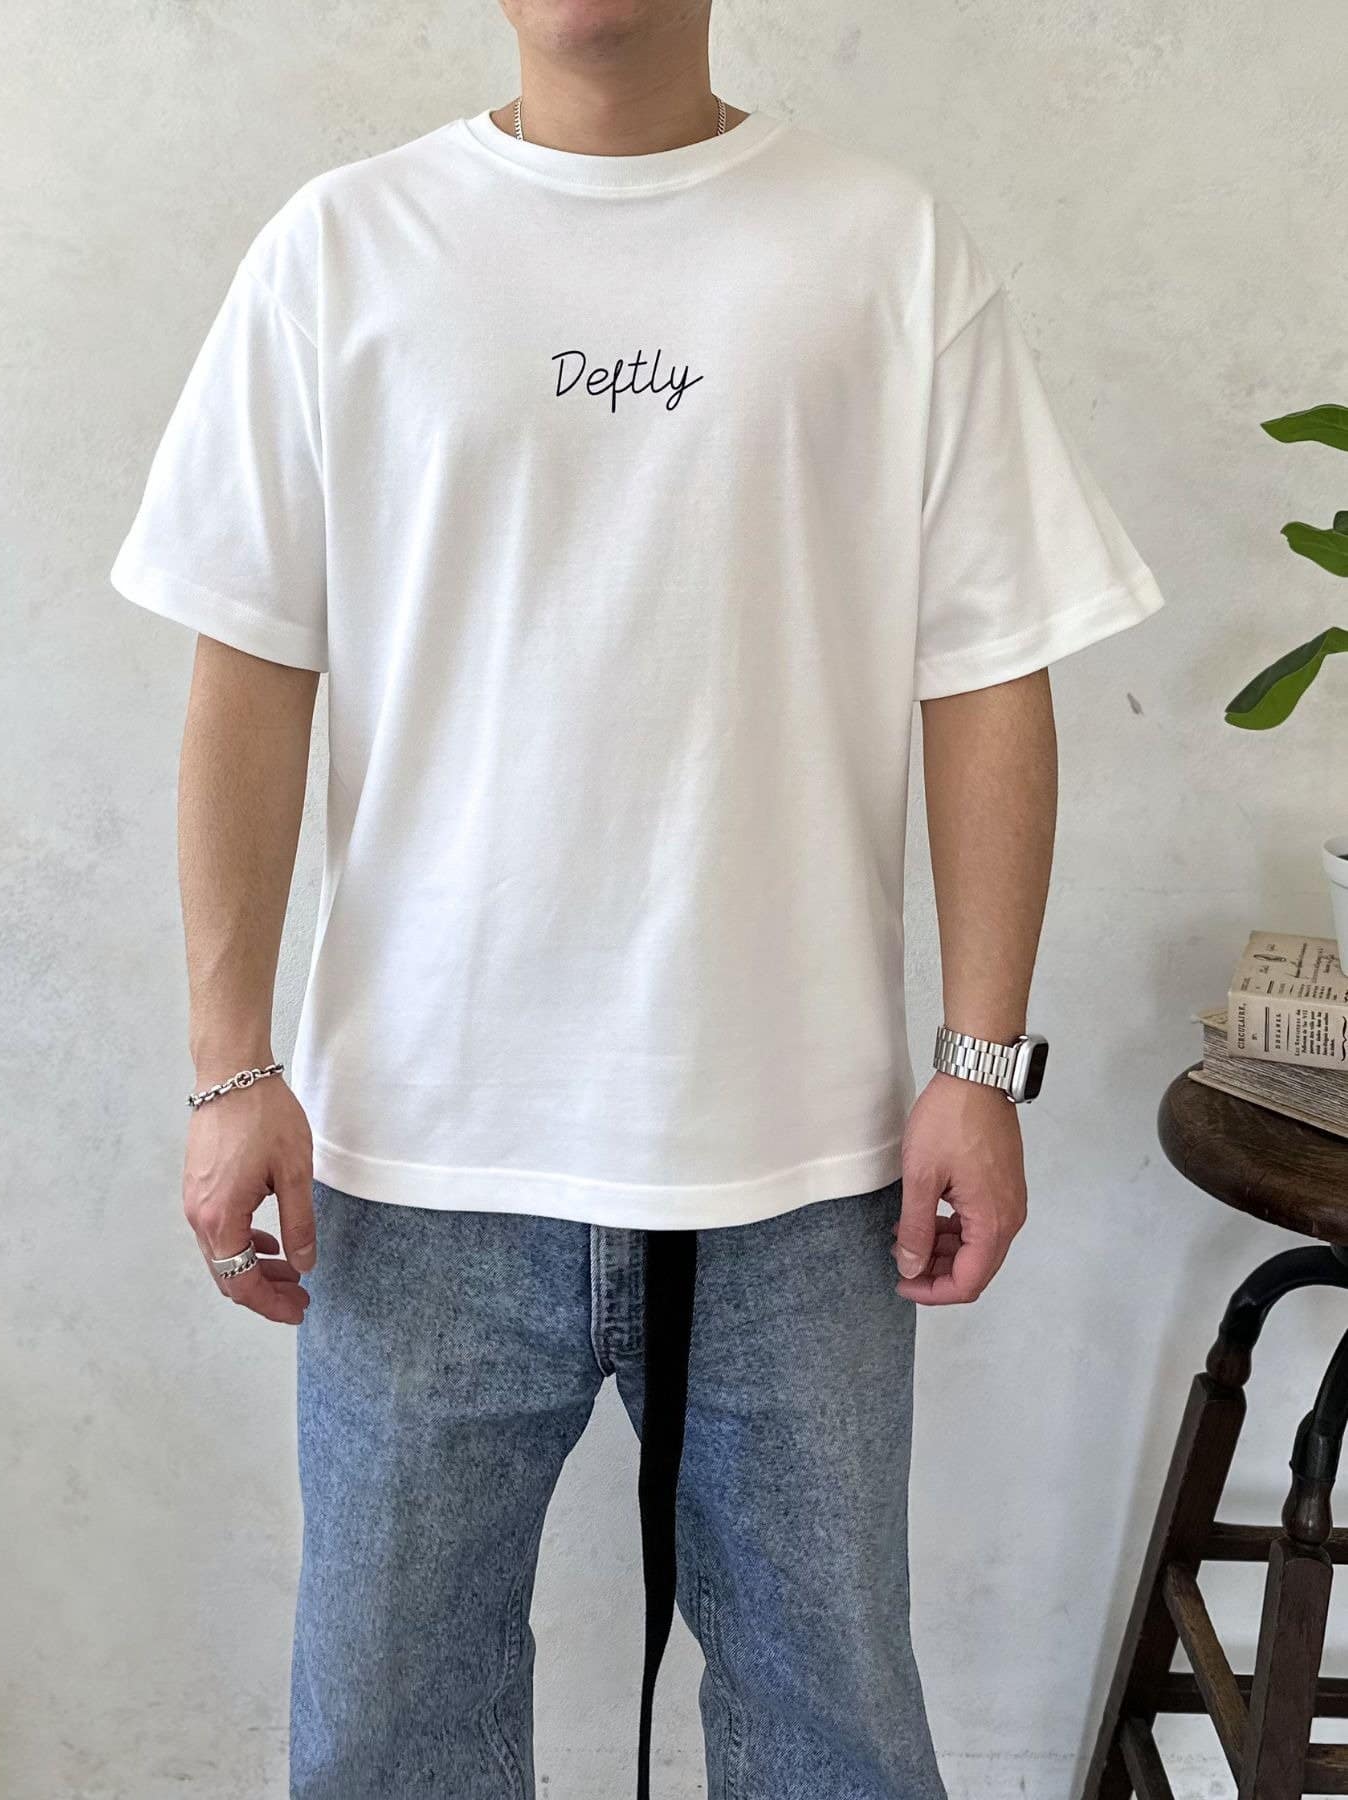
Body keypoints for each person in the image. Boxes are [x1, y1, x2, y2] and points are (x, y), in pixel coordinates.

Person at [109, 3, 1165, 1795]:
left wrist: (980, 1061)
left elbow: (990, 670)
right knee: (386, 1748)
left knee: (837, 1741)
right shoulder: (343, 249)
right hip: (416, 1163)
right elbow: (252, 671)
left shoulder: (886, 250)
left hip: (802, 1171)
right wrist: (230, 1067)